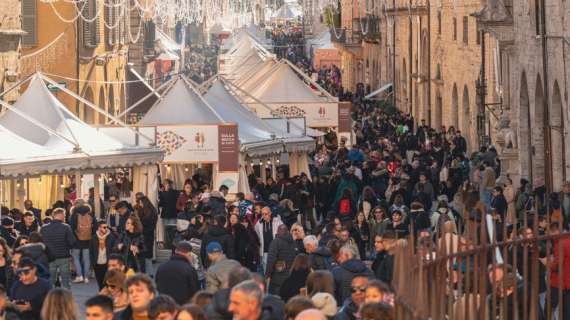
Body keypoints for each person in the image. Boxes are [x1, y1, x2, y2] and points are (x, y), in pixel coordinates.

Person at [40, 208, 75, 289]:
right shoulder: (66, 227)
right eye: (65, 215)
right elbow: (72, 242)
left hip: (50, 257)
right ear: (61, 215)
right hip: (64, 256)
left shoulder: (44, 228)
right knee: (65, 281)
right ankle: (67, 299)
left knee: (50, 281)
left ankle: (50, 298)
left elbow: (41, 242)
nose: (65, 217)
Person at [266, 224, 299, 295]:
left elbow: (271, 259)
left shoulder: (275, 242)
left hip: (277, 279)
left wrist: (268, 274)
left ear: (277, 231)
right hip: (290, 278)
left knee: (276, 301)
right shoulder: (293, 242)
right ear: (287, 231)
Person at [69, 203, 96, 283]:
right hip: (88, 240)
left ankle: (79, 276)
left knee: (76, 258)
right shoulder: (90, 215)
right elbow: (95, 228)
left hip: (77, 241)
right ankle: (86, 277)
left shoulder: (74, 215)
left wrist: (74, 239)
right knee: (86, 259)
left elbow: (71, 229)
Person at [254, 207, 283, 271]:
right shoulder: (259, 223)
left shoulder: (277, 221)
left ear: (270, 213)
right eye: (262, 214)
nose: (264, 216)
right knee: (266, 270)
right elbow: (256, 234)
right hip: (265, 251)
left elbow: (283, 233)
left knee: (276, 270)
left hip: (276, 250)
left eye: (266, 214)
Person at [90, 220, 117, 290]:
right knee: (100, 282)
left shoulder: (111, 237)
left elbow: (114, 250)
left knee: (106, 282)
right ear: (99, 228)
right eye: (104, 227)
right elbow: (91, 251)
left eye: (107, 227)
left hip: (107, 263)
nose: (106, 229)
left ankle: (105, 296)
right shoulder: (94, 238)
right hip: (97, 263)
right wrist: (93, 262)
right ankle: (102, 295)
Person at [136, 196, 158, 276]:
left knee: (145, 256)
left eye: (140, 202)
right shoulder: (152, 211)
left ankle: (148, 274)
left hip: (145, 236)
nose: (140, 204)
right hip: (149, 236)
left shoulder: (146, 212)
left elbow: (146, 225)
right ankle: (150, 273)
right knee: (147, 256)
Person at [159, 179, 179, 249]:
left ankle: (168, 245)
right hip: (171, 213)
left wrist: (161, 194)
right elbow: (161, 204)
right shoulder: (175, 192)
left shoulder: (164, 193)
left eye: (165, 184)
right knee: (170, 230)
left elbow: (160, 204)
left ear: (169, 185)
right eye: (164, 184)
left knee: (168, 230)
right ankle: (169, 245)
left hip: (169, 214)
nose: (164, 185)